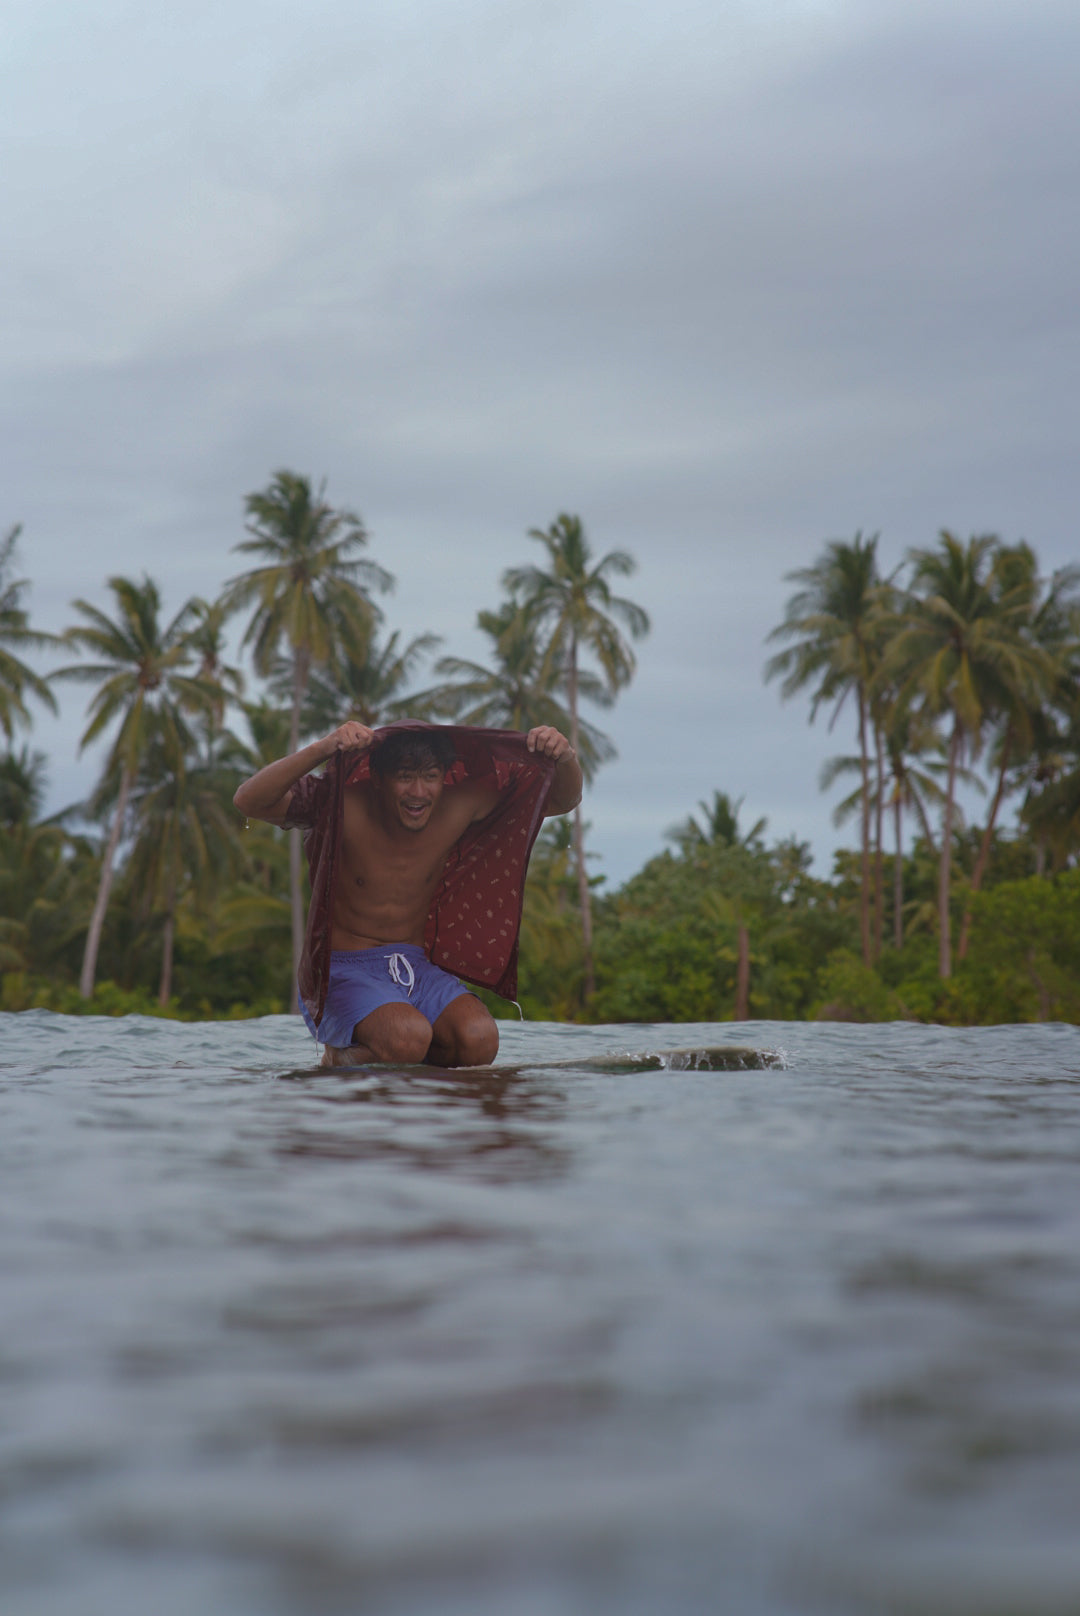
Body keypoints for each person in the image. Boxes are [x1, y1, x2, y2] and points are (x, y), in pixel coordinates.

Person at [233, 721, 582, 1067]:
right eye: (404, 777)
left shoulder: (462, 805)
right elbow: (249, 800)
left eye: (430, 776)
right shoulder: (339, 803)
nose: (418, 792)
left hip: (416, 966)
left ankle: (408, 1071)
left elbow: (559, 799)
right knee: (406, 1037)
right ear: (378, 777)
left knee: (478, 1039)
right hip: (344, 969)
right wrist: (325, 747)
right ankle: (337, 1058)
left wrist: (565, 757)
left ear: (445, 776)